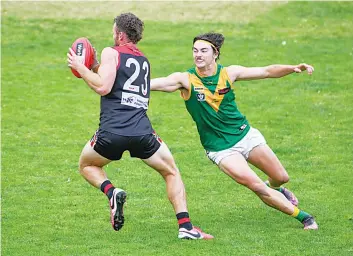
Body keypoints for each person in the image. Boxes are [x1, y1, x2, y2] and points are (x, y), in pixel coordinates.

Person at [67, 13, 213, 240]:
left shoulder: (110, 51)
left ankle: (112, 192)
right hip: (143, 132)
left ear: (120, 34)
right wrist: (95, 66)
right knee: (171, 171)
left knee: (87, 166)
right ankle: (185, 227)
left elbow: (104, 87)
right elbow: (116, 79)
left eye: (114, 30)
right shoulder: (143, 61)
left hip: (111, 132)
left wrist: (81, 67)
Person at [150, 32, 318, 230]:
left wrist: (292, 68)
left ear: (215, 53)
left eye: (204, 51)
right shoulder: (185, 80)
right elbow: (153, 84)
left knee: (281, 177)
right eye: (195, 51)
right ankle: (305, 218)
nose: (198, 55)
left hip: (245, 135)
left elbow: (266, 71)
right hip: (220, 148)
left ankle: (276, 188)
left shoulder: (229, 73)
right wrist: (121, 84)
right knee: (256, 185)